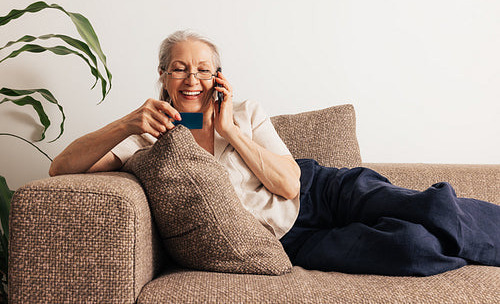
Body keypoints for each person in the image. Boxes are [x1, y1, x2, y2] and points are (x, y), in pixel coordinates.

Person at [50, 30, 500, 276]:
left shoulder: (245, 112)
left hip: (323, 190)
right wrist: (125, 122)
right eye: (180, 69)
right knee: (410, 248)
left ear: (218, 76)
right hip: (288, 239)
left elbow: (288, 184)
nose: (192, 80)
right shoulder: (147, 140)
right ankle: (460, 240)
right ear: (163, 76)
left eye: (203, 70)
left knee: (425, 205)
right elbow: (60, 168)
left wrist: (230, 130)